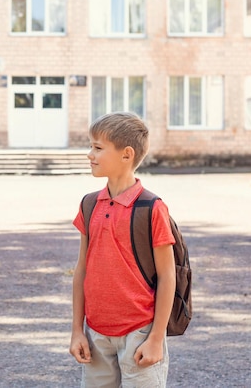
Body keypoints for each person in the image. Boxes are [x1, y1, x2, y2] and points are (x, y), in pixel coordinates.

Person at [69, 112, 176, 387]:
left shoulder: (152, 208)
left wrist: (155, 339)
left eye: (98, 147)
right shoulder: (89, 204)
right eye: (90, 146)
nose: (89, 154)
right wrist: (77, 331)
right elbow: (82, 270)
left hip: (140, 333)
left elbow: (167, 277)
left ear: (126, 155)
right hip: (96, 335)